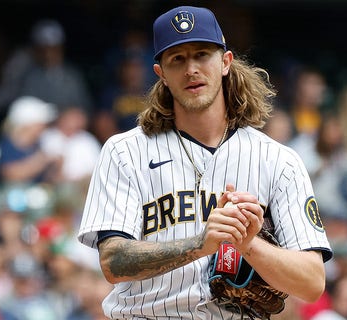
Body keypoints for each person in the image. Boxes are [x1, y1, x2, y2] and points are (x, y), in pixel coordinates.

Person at [77, 6, 332, 319]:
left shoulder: (279, 160)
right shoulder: (124, 151)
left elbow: (311, 282)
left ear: (225, 62)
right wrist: (200, 243)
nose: (191, 69)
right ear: (161, 74)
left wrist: (248, 244)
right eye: (178, 59)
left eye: (201, 55)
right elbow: (113, 262)